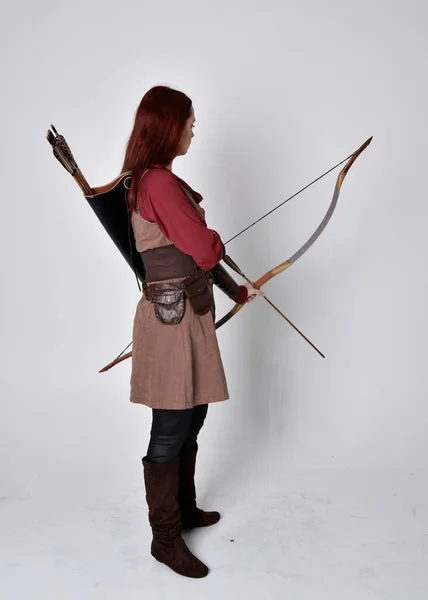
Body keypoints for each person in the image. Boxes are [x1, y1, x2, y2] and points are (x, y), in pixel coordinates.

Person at [122, 85, 263, 579]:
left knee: (193, 415)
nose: (193, 130)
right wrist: (215, 243)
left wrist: (236, 291)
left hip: (188, 311)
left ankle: (182, 513)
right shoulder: (158, 183)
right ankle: (165, 539)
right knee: (171, 427)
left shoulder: (161, 181)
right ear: (169, 127)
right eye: (189, 121)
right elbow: (203, 250)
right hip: (171, 320)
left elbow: (195, 259)